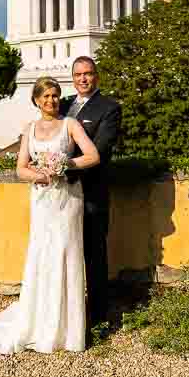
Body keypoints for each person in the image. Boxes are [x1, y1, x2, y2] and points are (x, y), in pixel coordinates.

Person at [0, 76, 100, 354]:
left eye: (55, 95)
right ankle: (40, 323)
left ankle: (69, 332)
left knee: (65, 254)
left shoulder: (71, 125)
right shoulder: (29, 129)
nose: (51, 101)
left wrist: (65, 164)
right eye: (45, 97)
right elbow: (21, 168)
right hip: (42, 201)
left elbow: (92, 156)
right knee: (42, 255)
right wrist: (38, 176)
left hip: (67, 200)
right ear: (36, 100)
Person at [60, 56, 121, 334]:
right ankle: (66, 312)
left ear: (96, 76)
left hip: (91, 192)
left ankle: (97, 316)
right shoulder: (61, 105)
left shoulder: (109, 108)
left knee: (94, 253)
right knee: (63, 252)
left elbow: (100, 150)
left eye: (88, 74)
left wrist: (62, 169)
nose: (83, 79)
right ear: (72, 78)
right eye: (78, 74)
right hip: (60, 196)